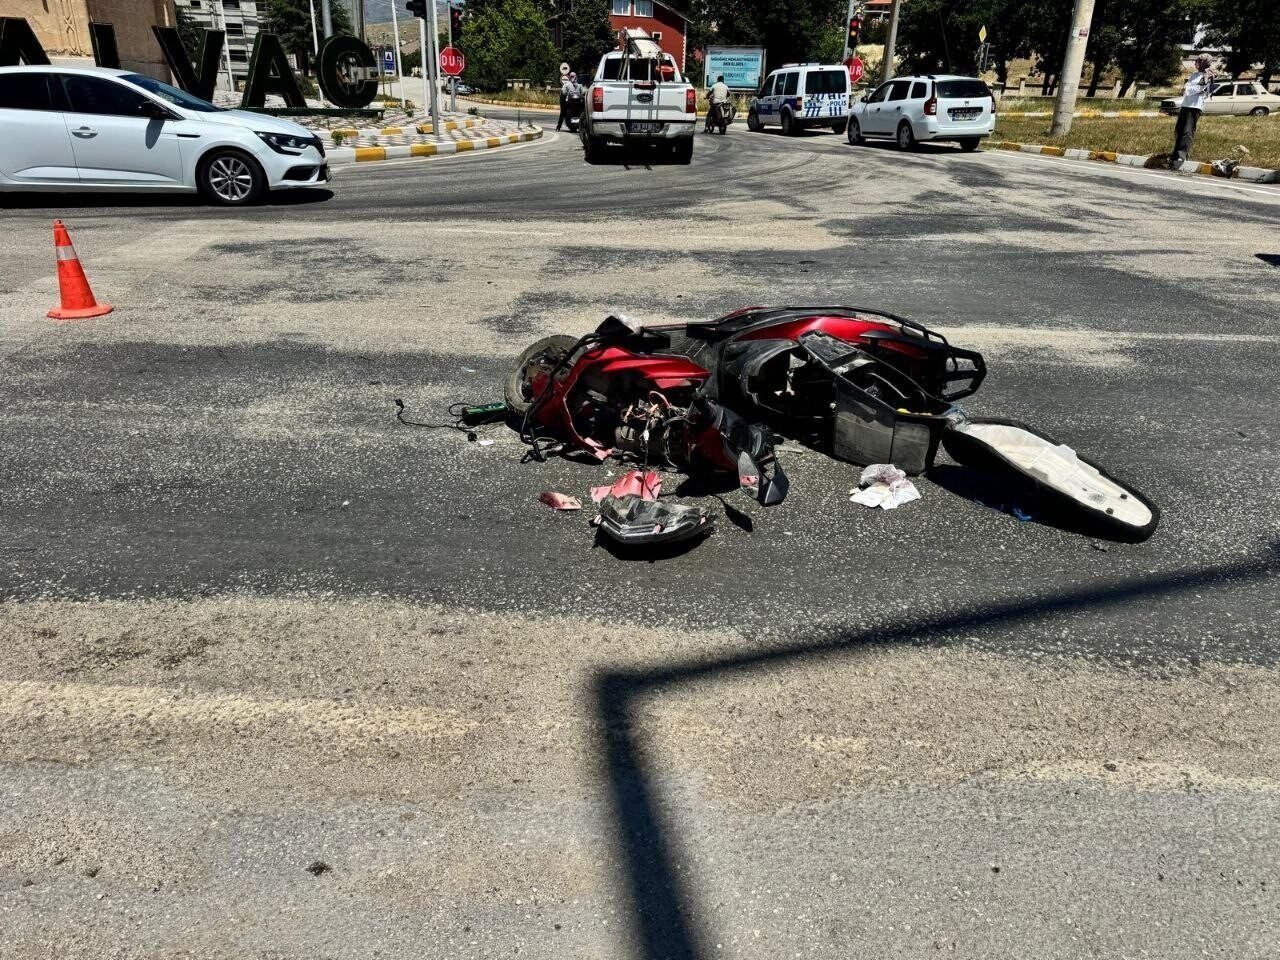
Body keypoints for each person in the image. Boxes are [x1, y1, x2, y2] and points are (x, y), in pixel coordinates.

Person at [1171, 54, 1215, 166]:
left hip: (1195, 106)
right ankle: (1175, 154)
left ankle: (1182, 156)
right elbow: (1188, 88)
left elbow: (1197, 89)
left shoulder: (1208, 75)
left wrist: (1188, 88)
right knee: (1179, 129)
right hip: (1186, 104)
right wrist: (1188, 88)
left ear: (1204, 63)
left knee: (1187, 131)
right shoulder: (1195, 74)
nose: (1195, 63)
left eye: (1197, 61)